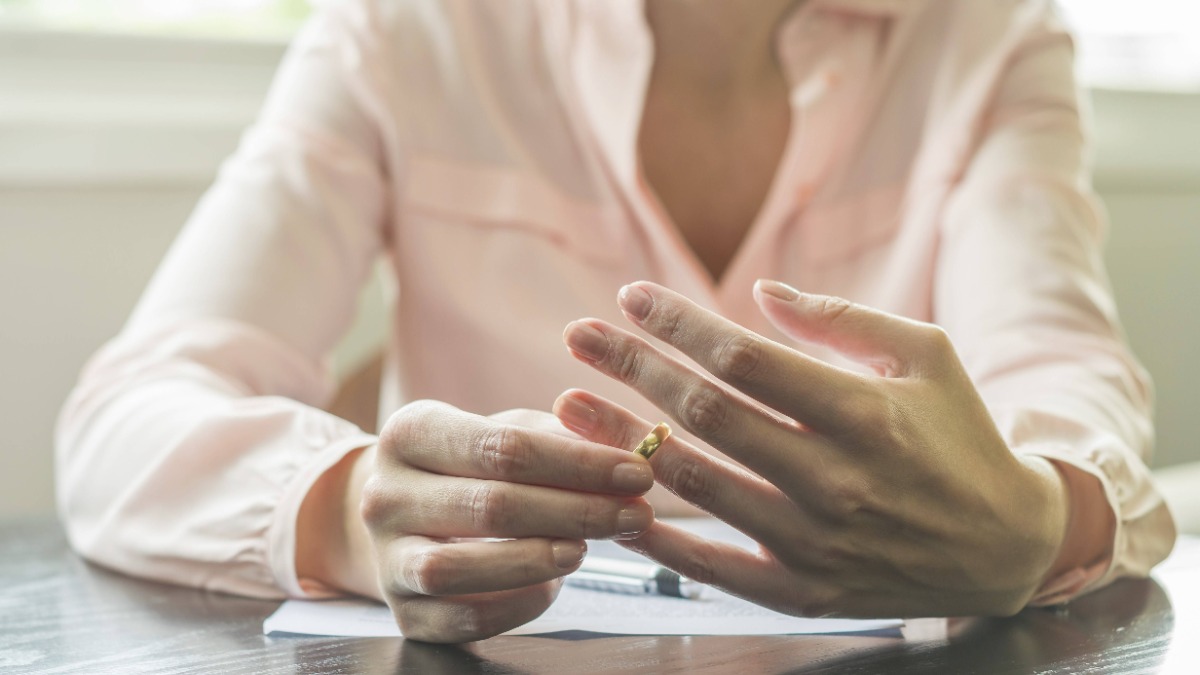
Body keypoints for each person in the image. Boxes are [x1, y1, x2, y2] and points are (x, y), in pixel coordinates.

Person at [56, 0, 1176, 643]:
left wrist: (1038, 516)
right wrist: (352, 513)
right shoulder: (406, 31)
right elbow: (125, 420)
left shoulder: (987, 40)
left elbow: (1067, 381)